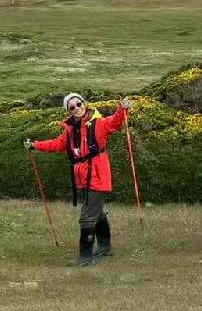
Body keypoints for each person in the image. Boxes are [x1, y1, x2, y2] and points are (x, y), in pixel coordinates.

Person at [28, 94, 132, 266]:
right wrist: (35, 145)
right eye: (72, 107)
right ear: (68, 111)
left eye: (79, 103)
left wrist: (122, 109)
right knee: (97, 213)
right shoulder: (70, 130)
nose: (77, 108)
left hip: (98, 176)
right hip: (83, 178)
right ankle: (105, 249)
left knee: (87, 218)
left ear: (84, 103)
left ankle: (85, 259)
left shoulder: (98, 123)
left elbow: (114, 123)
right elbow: (57, 144)